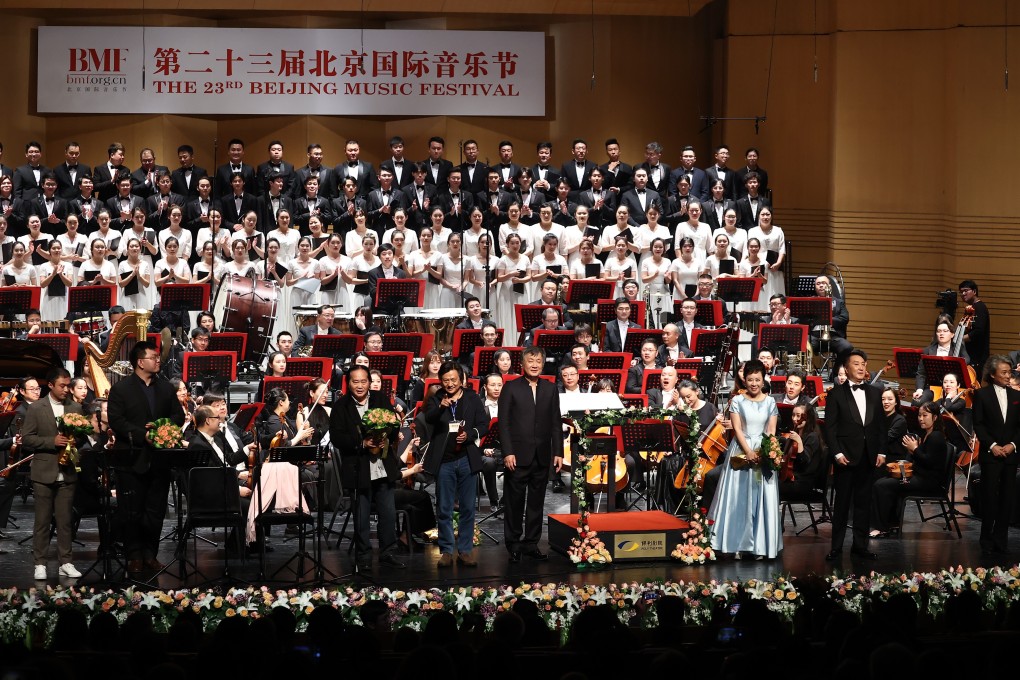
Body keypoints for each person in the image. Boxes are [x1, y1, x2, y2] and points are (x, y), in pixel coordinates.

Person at [106, 340, 185, 574]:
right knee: (131, 511)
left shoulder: (165, 387)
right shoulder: (121, 389)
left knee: (156, 511)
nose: (158, 360)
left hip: (160, 460)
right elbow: (117, 421)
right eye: (153, 357)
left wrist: (162, 429)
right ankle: (134, 556)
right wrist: (144, 435)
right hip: (131, 460)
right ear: (140, 362)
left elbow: (178, 417)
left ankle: (150, 554)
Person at [329, 364, 405, 570]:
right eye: (355, 382)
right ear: (348, 383)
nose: (360, 385)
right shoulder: (341, 406)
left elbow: (394, 425)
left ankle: (388, 552)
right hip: (358, 468)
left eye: (364, 381)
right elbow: (336, 437)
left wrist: (385, 435)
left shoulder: (380, 399)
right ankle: (363, 556)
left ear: (370, 383)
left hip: (382, 465)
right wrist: (362, 443)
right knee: (361, 516)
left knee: (388, 512)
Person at [707, 359, 781, 559]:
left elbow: (771, 430)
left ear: (763, 380)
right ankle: (737, 544)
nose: (754, 383)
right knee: (738, 498)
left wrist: (766, 451)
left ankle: (761, 546)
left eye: (757, 379)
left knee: (761, 497)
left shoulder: (770, 402)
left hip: (763, 451)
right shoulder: (737, 401)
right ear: (744, 380)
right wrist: (748, 451)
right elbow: (737, 429)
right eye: (750, 380)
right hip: (741, 450)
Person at [498, 346, 562, 562]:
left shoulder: (550, 388)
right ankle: (514, 544)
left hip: (542, 455)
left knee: (536, 503)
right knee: (514, 503)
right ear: (522, 364)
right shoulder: (511, 387)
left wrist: (558, 452)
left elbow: (556, 422)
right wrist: (508, 452)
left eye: (538, 361)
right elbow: (503, 424)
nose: (534, 365)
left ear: (543, 364)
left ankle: (531, 543)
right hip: (517, 456)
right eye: (530, 361)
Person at [824, 350, 888, 561]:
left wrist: (881, 451)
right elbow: (830, 428)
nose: (861, 367)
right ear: (846, 367)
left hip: (868, 456)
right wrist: (837, 453)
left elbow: (881, 426)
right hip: (845, 457)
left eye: (863, 363)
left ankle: (860, 546)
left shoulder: (875, 392)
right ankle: (836, 547)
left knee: (863, 504)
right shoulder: (835, 394)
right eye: (856, 363)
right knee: (842, 505)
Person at [424, 361, 489, 567]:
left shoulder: (472, 398)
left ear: (461, 379)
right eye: (445, 380)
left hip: (467, 458)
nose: (450, 383)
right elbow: (428, 419)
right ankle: (446, 551)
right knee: (444, 507)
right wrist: (441, 408)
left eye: (453, 379)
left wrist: (470, 434)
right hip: (444, 460)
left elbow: (483, 425)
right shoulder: (436, 398)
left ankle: (465, 550)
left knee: (468, 507)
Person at [24, 368, 83, 579]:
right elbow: (27, 438)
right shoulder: (36, 408)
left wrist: (76, 440)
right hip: (43, 472)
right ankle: (40, 563)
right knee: (42, 521)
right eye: (62, 386)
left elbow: (82, 436)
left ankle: (65, 562)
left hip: (67, 472)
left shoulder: (75, 407)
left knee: (65, 521)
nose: (66, 389)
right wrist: (52, 441)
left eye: (68, 385)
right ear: (50, 385)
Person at [871, 401, 950, 536]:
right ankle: (892, 522)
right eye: (919, 415)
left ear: (935, 417)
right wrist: (912, 453)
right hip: (921, 477)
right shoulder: (927, 434)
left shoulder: (936, 436)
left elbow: (929, 462)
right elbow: (922, 459)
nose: (921, 418)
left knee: (882, 485)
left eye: (925, 415)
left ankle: (882, 527)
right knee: (883, 481)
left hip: (929, 482)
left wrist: (915, 449)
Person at [973, 355, 1020, 555]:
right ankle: (986, 539)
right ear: (993, 374)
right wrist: (992, 445)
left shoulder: (1017, 396)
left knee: (1007, 499)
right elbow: (978, 424)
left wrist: (1013, 445)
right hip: (990, 454)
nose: (1008, 376)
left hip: (1011, 454)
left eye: (1010, 372)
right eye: (1004, 372)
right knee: (989, 497)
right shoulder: (981, 395)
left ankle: (1001, 540)